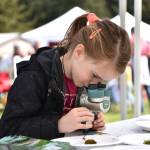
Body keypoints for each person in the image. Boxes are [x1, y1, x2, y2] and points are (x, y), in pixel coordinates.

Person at [0, 13, 131, 140]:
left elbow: (82, 121)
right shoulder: (35, 75)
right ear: (79, 52)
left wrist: (93, 121)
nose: (94, 85)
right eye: (94, 75)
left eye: (102, 81)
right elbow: (7, 128)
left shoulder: (84, 79)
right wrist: (58, 125)